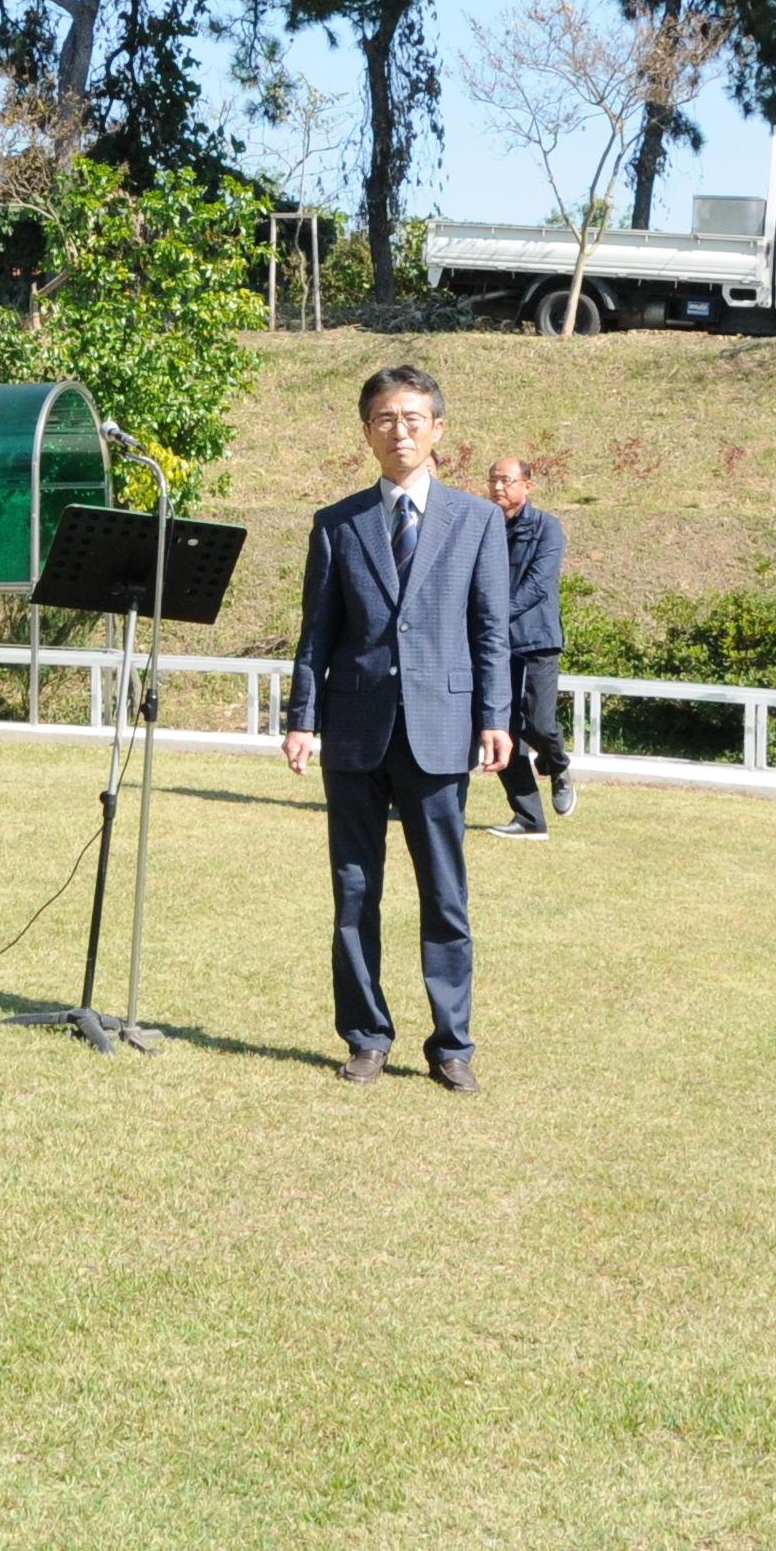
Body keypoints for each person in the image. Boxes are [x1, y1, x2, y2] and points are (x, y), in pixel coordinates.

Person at [279, 363, 515, 1091]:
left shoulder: (476, 521)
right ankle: (365, 1035)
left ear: (438, 429)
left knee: (445, 895)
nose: (400, 429)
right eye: (385, 418)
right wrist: (301, 719)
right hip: (353, 731)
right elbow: (317, 633)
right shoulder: (337, 524)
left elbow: (491, 630)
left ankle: (452, 1046)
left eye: (414, 418)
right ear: (367, 432)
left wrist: (496, 717)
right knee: (354, 892)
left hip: (442, 729)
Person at [484, 454, 569, 835]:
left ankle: (558, 763)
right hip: (493, 646)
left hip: (535, 640)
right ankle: (530, 819)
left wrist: (496, 617)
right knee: (501, 729)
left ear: (527, 486)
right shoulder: (483, 526)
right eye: (493, 480)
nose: (498, 487)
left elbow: (537, 585)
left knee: (539, 723)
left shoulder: (547, 528)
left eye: (506, 480)